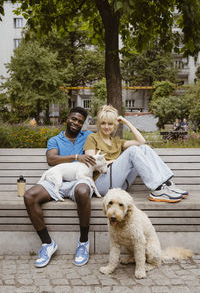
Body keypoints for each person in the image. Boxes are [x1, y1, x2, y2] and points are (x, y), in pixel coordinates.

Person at [24, 107, 96, 268]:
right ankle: (47, 244)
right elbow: (51, 159)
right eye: (73, 119)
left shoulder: (89, 137)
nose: (76, 123)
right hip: (56, 180)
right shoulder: (54, 140)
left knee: (83, 191)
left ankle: (83, 242)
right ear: (67, 118)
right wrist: (77, 157)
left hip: (78, 180)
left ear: (83, 124)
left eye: (80, 121)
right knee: (29, 196)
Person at [84, 104, 188, 204]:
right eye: (103, 123)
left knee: (144, 148)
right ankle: (158, 188)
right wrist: (110, 162)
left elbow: (141, 141)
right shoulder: (92, 138)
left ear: (115, 125)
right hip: (102, 185)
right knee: (133, 150)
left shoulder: (117, 141)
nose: (106, 127)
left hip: (121, 185)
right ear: (99, 124)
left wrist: (126, 122)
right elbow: (90, 165)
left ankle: (167, 183)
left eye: (110, 124)